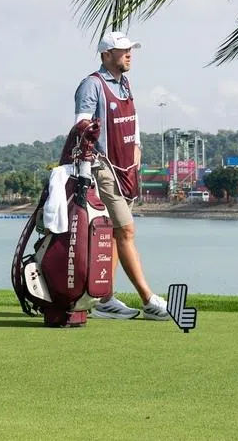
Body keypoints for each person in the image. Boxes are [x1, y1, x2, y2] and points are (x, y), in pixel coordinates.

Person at [74, 31, 168, 321]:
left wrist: (137, 145)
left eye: (130, 49)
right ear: (106, 55)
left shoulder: (125, 83)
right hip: (104, 169)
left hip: (127, 169)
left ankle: (104, 298)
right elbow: (82, 127)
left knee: (117, 234)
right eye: (122, 50)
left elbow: (134, 119)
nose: (129, 54)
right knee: (126, 231)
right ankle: (149, 300)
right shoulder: (92, 84)